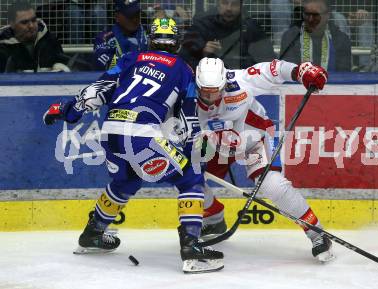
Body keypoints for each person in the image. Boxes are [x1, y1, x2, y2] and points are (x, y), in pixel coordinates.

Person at [43, 18, 224, 274]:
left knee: (125, 182)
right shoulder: (184, 70)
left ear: (150, 39)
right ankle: (192, 248)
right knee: (190, 178)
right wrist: (196, 153)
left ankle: (93, 234)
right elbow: (189, 120)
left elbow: (98, 91)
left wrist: (67, 110)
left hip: (112, 132)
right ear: (176, 43)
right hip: (141, 134)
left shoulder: (130, 59)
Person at [194, 57, 335, 262]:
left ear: (225, 82)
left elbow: (273, 69)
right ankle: (214, 217)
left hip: (254, 139)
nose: (209, 96)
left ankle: (317, 233)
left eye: (215, 90)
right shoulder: (185, 94)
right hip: (214, 145)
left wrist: (301, 71)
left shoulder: (239, 82)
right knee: (188, 176)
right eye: (204, 91)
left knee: (274, 187)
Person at [179, 0, 276, 69]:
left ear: (241, 6)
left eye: (234, 4)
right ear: (218, 4)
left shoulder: (252, 28)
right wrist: (203, 53)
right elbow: (184, 61)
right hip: (209, 83)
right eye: (225, 3)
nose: (229, 8)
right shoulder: (202, 26)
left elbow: (267, 61)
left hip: (245, 83)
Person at [280, 0, 351, 72]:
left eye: (316, 15)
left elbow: (343, 74)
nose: (310, 19)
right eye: (307, 14)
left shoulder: (341, 40)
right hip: (299, 82)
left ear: (327, 15)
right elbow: (287, 72)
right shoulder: (290, 37)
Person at [0, 0, 68, 73]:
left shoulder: (49, 40)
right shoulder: (2, 47)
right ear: (12, 24)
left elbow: (63, 67)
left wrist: (60, 70)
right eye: (24, 22)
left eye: (33, 20)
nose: (31, 26)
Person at [93, 0, 148, 70]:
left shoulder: (149, 32)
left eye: (137, 15)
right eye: (130, 16)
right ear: (117, 17)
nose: (135, 20)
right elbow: (104, 66)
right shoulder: (105, 38)